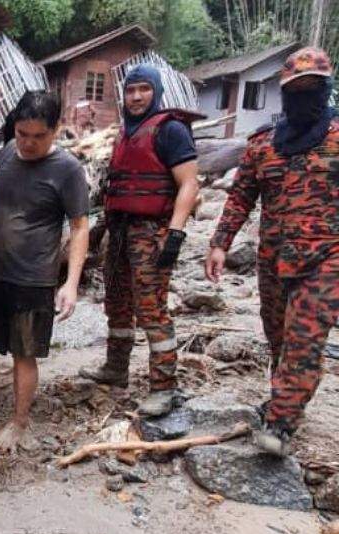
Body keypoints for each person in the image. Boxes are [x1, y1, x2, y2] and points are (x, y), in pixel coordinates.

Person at [205, 47, 339, 456]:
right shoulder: (263, 143)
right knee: (279, 340)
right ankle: (284, 399)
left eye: (312, 88)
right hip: (273, 259)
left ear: (326, 90)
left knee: (304, 341)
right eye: (295, 89)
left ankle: (280, 424)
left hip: (326, 259)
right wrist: (219, 243)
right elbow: (241, 196)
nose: (304, 95)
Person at [0, 91, 90, 455]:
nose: (27, 143)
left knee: (23, 353)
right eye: (22, 132)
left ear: (56, 130)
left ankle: (18, 422)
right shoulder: (8, 154)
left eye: (38, 136)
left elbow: (79, 227)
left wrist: (71, 283)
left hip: (35, 279)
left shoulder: (68, 170)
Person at [78, 64, 200, 417]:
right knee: (116, 303)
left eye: (144, 89)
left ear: (156, 92)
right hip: (118, 232)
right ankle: (116, 369)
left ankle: (163, 387)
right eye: (130, 90)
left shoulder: (171, 130)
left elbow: (189, 184)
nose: (135, 97)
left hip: (152, 232)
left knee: (151, 309)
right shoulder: (122, 133)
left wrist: (175, 234)